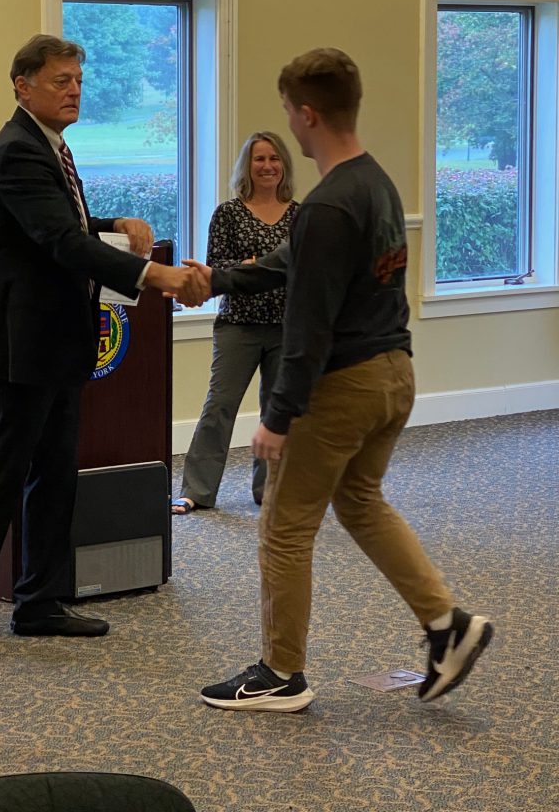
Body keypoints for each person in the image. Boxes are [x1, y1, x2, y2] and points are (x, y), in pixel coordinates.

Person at [189, 48, 493, 710]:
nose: (287, 130)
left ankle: (280, 674)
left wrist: (278, 414)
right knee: (359, 501)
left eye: (288, 116)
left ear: (307, 115)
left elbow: (309, 323)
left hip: (343, 386)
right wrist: (217, 278)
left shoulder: (327, 204)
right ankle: (449, 624)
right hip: (394, 373)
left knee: (283, 525)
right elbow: (289, 262)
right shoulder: (374, 182)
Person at [0, 33, 206, 656]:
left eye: (78, 81)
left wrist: (114, 224)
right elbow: (60, 241)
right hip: (16, 347)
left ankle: (39, 600)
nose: (74, 91)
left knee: (55, 474)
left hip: (57, 343)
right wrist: (152, 275)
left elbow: (62, 226)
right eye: (61, 81)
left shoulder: (51, 148)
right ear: (21, 84)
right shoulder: (15, 152)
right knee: (1, 475)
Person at [172, 132, 298, 514]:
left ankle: (271, 490)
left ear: (284, 165)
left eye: (274, 159)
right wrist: (257, 270)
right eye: (259, 159)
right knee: (219, 406)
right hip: (237, 326)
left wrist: (252, 267)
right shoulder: (228, 213)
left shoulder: (301, 214)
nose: (267, 166)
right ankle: (197, 490)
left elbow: (306, 270)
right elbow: (217, 270)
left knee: (278, 413)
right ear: (247, 166)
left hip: (286, 327)